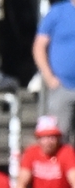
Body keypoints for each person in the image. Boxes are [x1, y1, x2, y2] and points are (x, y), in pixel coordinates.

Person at [37, 0, 75, 137]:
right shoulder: (57, 12)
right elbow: (39, 46)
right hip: (62, 86)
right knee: (58, 136)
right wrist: (49, 77)